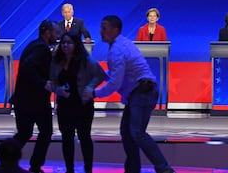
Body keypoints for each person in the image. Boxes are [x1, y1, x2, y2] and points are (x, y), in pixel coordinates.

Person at [83, 15, 175, 173]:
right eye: (101, 27)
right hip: (139, 93)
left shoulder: (118, 49)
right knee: (127, 133)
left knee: (137, 133)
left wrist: (93, 93)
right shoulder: (120, 44)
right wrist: (99, 74)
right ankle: (133, 169)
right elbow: (117, 75)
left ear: (115, 30)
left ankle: (164, 169)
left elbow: (114, 83)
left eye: (105, 27)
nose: (101, 31)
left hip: (142, 92)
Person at [50, 32, 106, 173]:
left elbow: (101, 75)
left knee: (84, 137)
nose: (65, 46)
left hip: (83, 104)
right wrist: (58, 90)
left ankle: (88, 169)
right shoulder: (56, 61)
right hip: (64, 104)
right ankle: (70, 170)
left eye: (69, 43)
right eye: (63, 43)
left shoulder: (85, 60)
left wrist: (90, 87)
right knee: (67, 138)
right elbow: (52, 82)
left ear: (76, 44)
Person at [11, 20, 60, 173]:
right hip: (34, 101)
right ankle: (35, 166)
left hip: (24, 100)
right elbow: (28, 67)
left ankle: (7, 161)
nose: (57, 36)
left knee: (25, 133)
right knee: (45, 132)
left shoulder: (33, 45)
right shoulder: (41, 49)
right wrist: (43, 83)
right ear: (47, 32)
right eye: (55, 32)